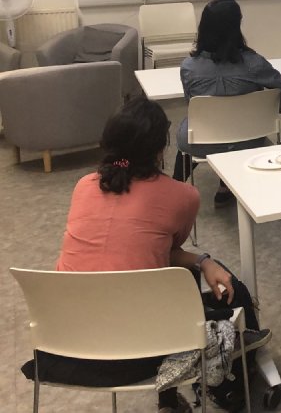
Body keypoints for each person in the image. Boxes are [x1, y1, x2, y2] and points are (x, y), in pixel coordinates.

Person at [27, 98, 267, 413]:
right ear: (160, 149)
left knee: (169, 272)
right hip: (146, 349)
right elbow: (168, 253)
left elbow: (153, 249)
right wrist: (204, 261)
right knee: (194, 281)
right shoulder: (182, 195)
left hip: (66, 348)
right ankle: (210, 378)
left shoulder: (83, 186)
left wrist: (201, 260)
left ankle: (172, 399)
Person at [176, 0, 281, 205]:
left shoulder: (189, 67)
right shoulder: (254, 64)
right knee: (230, 126)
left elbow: (192, 103)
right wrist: (263, 108)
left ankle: (174, 189)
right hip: (250, 140)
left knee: (191, 130)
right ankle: (225, 185)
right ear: (236, 27)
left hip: (202, 141)